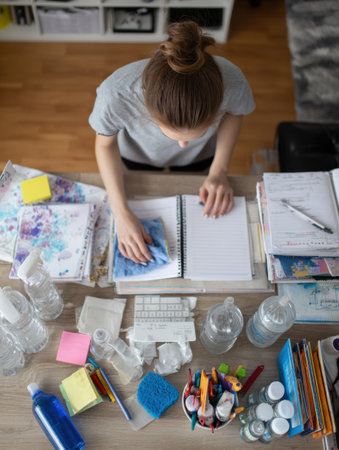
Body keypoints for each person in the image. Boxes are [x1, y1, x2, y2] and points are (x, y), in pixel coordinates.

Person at [89, 21, 255, 265]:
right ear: (146, 109)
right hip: (138, 156)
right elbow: (104, 145)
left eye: (196, 134)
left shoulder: (232, 82)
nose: (182, 147)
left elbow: (235, 114)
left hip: (201, 160)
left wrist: (218, 171)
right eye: (173, 135)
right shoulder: (115, 96)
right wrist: (121, 213)